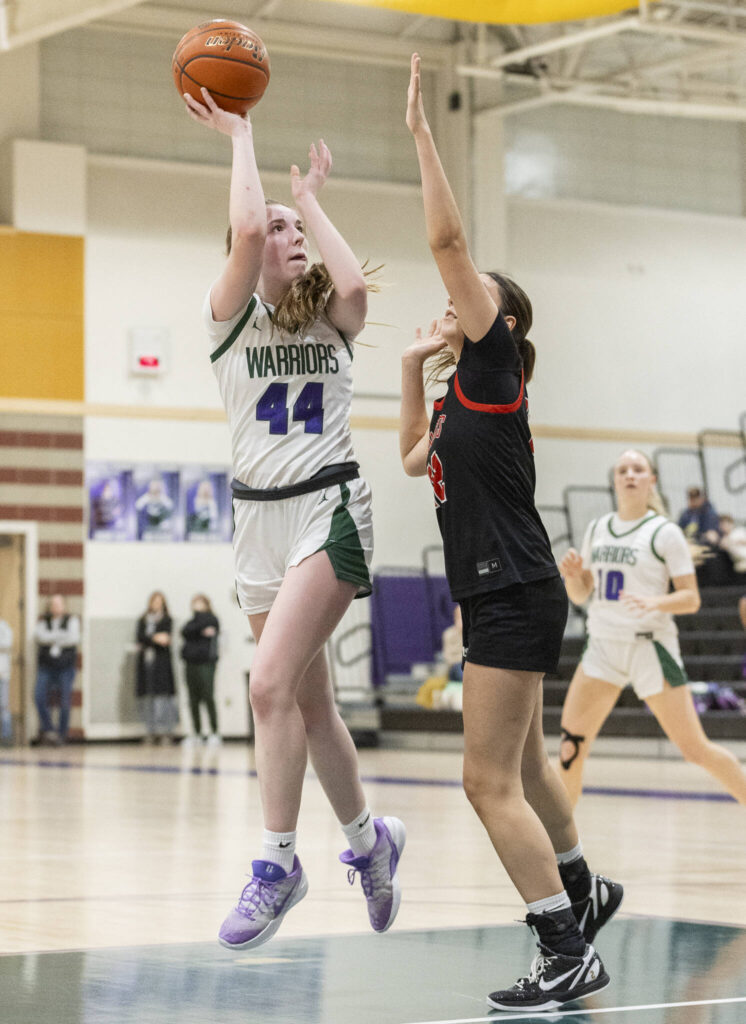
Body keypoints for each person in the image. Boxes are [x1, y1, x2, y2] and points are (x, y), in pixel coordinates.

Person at [401, 54, 620, 1013]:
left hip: (512, 586)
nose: (452, 296)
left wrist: (419, 134)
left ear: (500, 315)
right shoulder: (459, 390)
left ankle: (564, 947)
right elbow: (412, 454)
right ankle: (585, 889)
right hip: (504, 588)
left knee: (485, 782)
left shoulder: (493, 363)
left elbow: (448, 238)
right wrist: (411, 359)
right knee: (527, 768)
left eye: (471, 294)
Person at [183, 85, 404, 950]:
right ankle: (369, 841)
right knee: (311, 707)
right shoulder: (228, 321)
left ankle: (278, 864)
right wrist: (252, 164)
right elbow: (239, 234)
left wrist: (304, 194)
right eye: (276, 226)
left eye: (294, 230)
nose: (284, 234)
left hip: (330, 507)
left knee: (268, 684)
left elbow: (350, 280)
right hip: (257, 526)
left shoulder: (337, 324)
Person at [558, 449, 746, 807]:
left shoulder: (664, 533)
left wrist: (654, 603)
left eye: (638, 469)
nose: (630, 474)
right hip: (602, 647)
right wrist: (572, 577)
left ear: (651, 480)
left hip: (650, 648)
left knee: (695, 750)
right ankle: (561, 854)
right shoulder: (598, 529)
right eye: (623, 469)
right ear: (615, 480)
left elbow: (691, 599)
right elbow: (582, 595)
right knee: (570, 749)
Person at [33, 594, 80, 745]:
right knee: (39, 697)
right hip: (46, 667)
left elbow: (73, 639)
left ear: (64, 605)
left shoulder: (72, 620)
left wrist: (51, 637)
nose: (56, 607)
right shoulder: (43, 621)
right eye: (53, 604)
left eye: (59, 604)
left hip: (65, 667)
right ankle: (49, 730)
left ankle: (61, 734)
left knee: (65, 700)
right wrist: (60, 637)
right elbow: (40, 637)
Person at [135, 591, 178, 744]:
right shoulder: (143, 620)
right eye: (155, 601)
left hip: (162, 664)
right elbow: (140, 638)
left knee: (163, 697)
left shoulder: (167, 620)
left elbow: (165, 639)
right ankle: (150, 731)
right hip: (146, 663)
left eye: (160, 601)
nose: (157, 604)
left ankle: (166, 731)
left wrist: (150, 638)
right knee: (148, 698)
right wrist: (155, 638)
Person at [180, 594, 221, 745]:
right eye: (194, 602)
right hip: (190, 663)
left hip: (206, 663)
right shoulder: (191, 622)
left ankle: (215, 732)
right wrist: (200, 631)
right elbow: (185, 631)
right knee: (193, 699)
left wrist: (196, 629)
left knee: (208, 696)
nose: (196, 605)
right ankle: (196, 733)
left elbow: (207, 628)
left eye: (200, 602)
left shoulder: (212, 619)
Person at [0, 616, 13, 742]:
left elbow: (6, 644)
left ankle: (6, 736)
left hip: (2, 673)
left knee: (3, 705)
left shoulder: (4, 627)